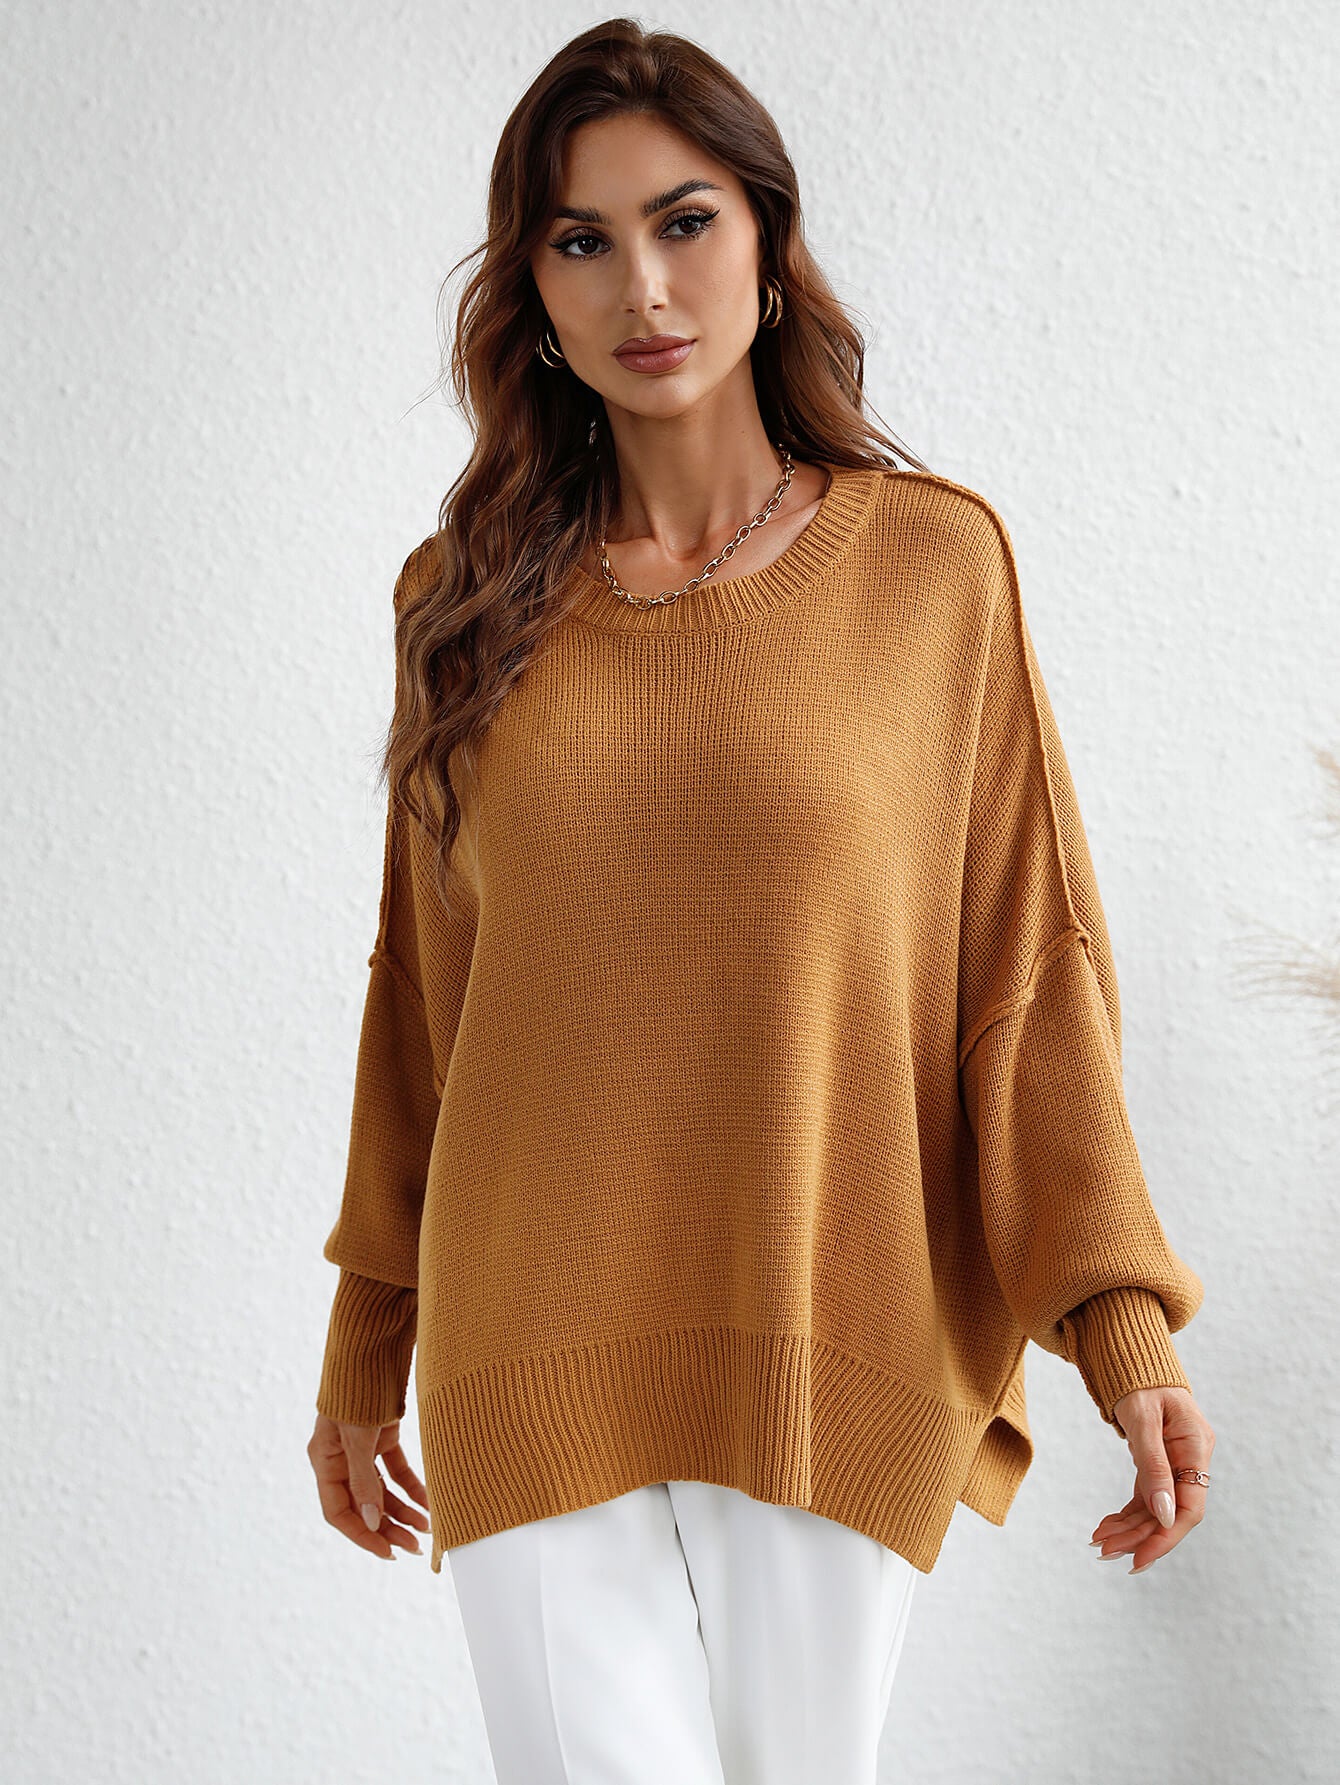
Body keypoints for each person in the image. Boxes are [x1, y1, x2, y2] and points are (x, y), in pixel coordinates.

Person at [307, 18, 1214, 1784]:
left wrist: (1122, 1325)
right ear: (533, 292)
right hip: (527, 1333)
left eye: (685, 221)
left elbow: (1026, 968)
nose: (642, 286)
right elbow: (424, 998)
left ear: (769, 245)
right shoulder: (460, 601)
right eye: (582, 239)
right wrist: (365, 1338)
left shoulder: (933, 567)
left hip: (824, 1319)